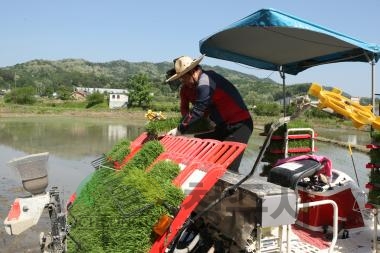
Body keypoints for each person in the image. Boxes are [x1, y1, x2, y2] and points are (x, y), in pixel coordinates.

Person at [166, 55, 253, 172]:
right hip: (220, 125)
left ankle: (230, 189)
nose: (183, 81)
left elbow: (198, 109)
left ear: (192, 72)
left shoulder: (206, 80)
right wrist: (187, 126)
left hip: (239, 124)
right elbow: (185, 110)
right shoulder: (188, 88)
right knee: (202, 157)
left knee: (228, 168)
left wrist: (180, 129)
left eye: (183, 78)